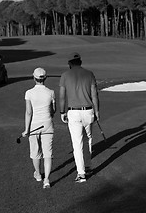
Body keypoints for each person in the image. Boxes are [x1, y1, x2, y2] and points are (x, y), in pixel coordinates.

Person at [59, 52, 100, 183]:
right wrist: (97, 112)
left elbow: (62, 96)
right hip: (88, 111)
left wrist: (61, 112)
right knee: (88, 139)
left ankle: (81, 174)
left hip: (74, 112)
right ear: (80, 62)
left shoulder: (65, 76)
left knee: (77, 144)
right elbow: (94, 95)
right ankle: (87, 167)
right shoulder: (89, 74)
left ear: (70, 63)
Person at [22, 67, 56, 189]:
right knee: (48, 153)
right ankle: (46, 179)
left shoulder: (29, 93)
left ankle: (38, 174)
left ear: (34, 78)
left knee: (35, 152)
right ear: (45, 78)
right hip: (48, 125)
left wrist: (26, 129)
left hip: (34, 126)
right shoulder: (51, 92)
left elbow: (28, 112)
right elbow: (53, 111)